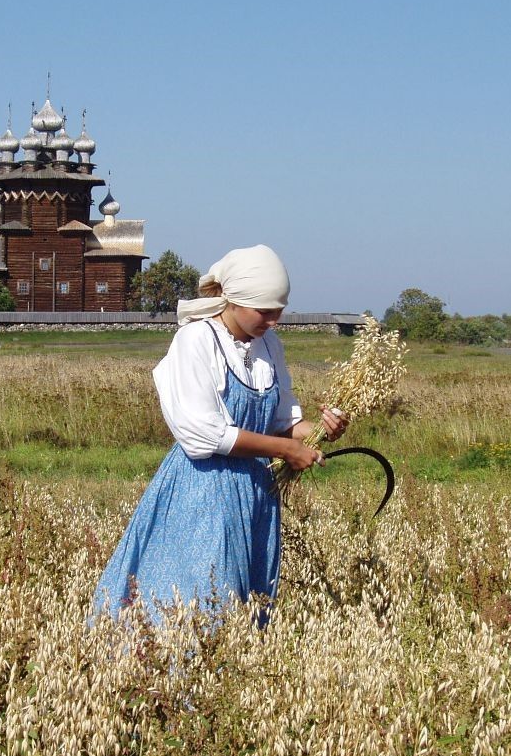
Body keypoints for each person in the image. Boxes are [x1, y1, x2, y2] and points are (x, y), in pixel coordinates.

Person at [90, 245, 347, 625]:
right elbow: (203, 435)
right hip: (204, 490)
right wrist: (285, 449)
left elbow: (280, 421)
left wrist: (320, 430)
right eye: (265, 311)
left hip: (256, 492)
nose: (274, 320)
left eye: (279, 310)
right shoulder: (197, 340)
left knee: (244, 605)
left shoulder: (269, 345)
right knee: (200, 597)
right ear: (235, 301)